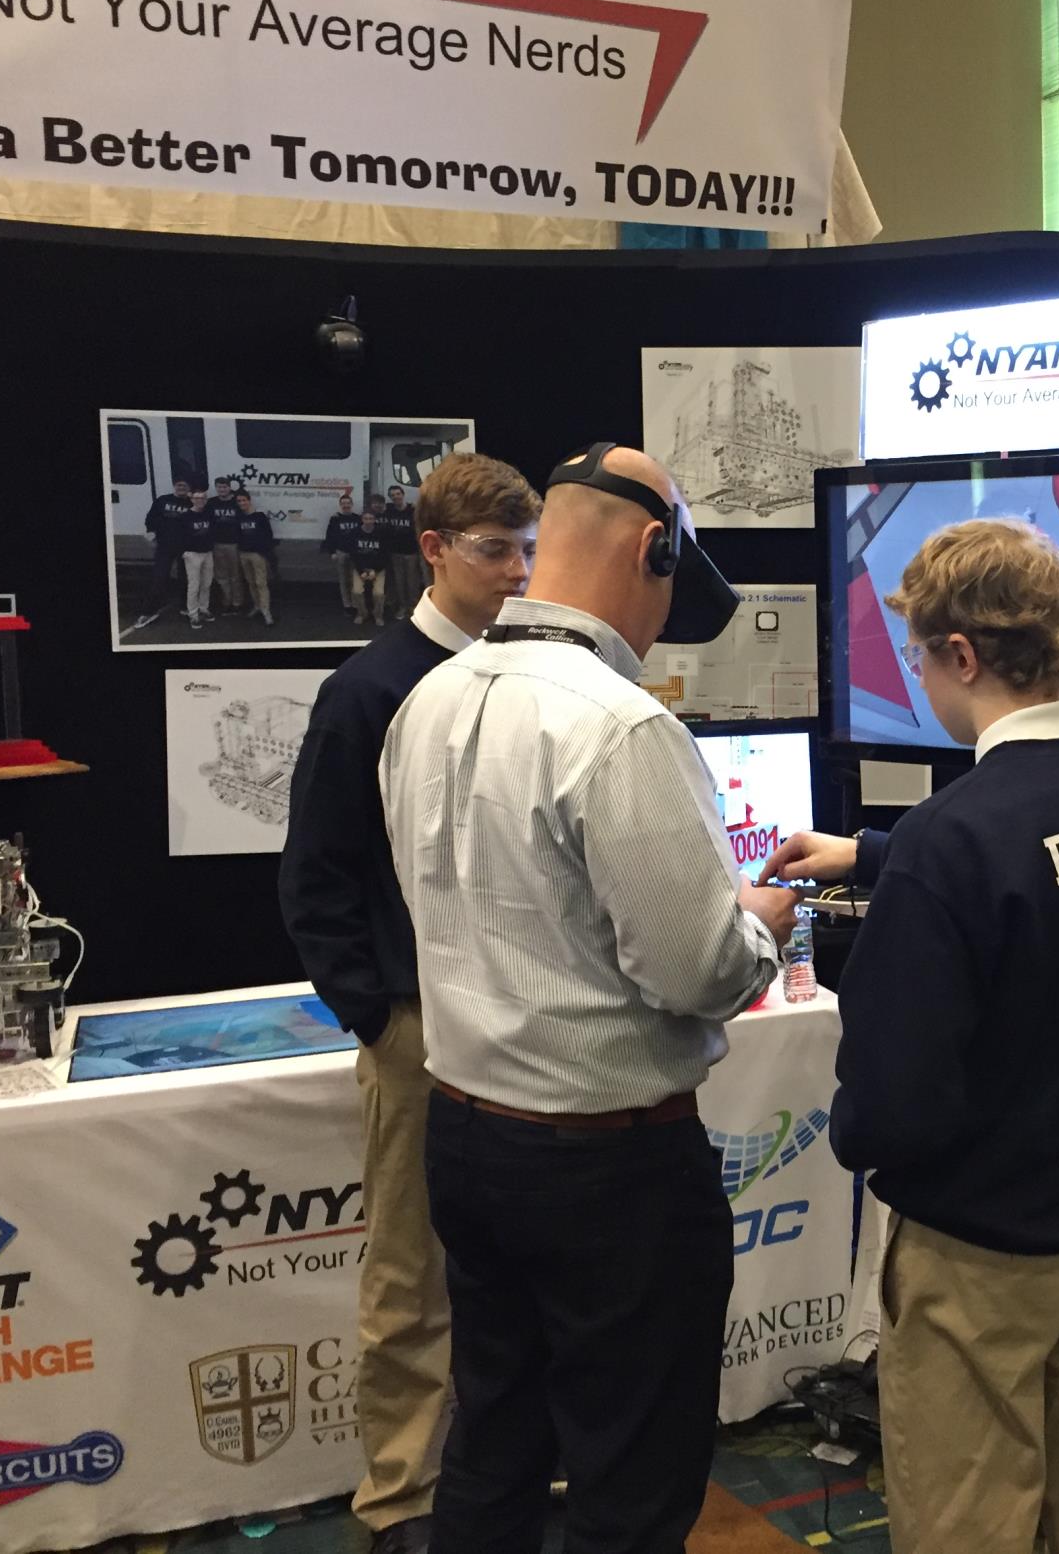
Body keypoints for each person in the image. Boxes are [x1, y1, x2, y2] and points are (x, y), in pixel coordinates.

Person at [381, 442, 793, 1554]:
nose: (662, 626)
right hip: (608, 1168)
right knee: (632, 1479)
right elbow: (696, 972)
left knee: (494, 1441)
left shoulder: (427, 699)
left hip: (466, 1138)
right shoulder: (621, 726)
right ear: (654, 552)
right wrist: (762, 922)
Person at [759, 519, 1059, 1554]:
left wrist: (853, 1134)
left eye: (916, 657)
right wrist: (875, 853)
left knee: (966, 1518)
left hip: (984, 1247)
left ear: (960, 654)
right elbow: (1041, 873)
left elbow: (891, 1103)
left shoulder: (954, 839)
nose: (915, 676)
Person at [278, 452, 541, 1554]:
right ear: (432, 550)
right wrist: (381, 1020)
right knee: (410, 1277)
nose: (518, 572)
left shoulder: (534, 680)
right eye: (494, 551)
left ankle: (509, 1472)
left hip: (529, 1024)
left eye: (529, 550)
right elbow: (315, 876)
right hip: (421, 1029)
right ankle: (400, 1498)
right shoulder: (369, 691)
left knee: (522, 1267)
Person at [137, 478, 194, 628]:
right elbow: (151, 518)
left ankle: (185, 607)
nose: (181, 487)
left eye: (184, 485)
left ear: (189, 488)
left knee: (185, 578)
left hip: (185, 547)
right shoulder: (163, 500)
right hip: (164, 546)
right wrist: (151, 534)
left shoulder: (192, 503)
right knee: (159, 577)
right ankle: (149, 611)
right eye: (179, 485)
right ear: (174, 486)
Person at [233, 492, 278, 627]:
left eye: (244, 500)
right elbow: (237, 535)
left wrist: (263, 551)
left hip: (257, 555)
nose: (242, 503)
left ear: (249, 500)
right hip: (244, 554)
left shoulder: (260, 516)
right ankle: (257, 606)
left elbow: (268, 535)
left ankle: (266, 611)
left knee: (261, 583)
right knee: (251, 582)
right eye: (239, 501)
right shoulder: (239, 518)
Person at [382, 483, 423, 620]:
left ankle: (414, 608)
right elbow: (375, 510)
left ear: (403, 495)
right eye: (393, 495)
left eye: (398, 494)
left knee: (412, 583)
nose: (396, 497)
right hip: (395, 553)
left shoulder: (413, 510)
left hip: (411, 553)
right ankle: (402, 607)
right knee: (399, 583)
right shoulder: (389, 510)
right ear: (390, 498)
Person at [207, 476, 245, 613]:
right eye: (219, 487)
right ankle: (226, 601)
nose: (222, 490)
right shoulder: (211, 502)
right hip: (217, 544)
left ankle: (237, 602)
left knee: (235, 575)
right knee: (221, 575)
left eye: (224, 487)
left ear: (229, 488)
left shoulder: (237, 502)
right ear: (216, 488)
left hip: (234, 544)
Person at [180, 497, 220, 630]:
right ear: (192, 500)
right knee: (194, 585)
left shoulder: (209, 514)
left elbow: (213, 531)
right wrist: (183, 552)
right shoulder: (185, 516)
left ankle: (203, 608)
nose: (200, 500)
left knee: (206, 583)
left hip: (207, 553)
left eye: (202, 498)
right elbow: (178, 535)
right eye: (197, 498)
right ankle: (193, 614)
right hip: (192, 554)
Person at [326, 491, 365, 619]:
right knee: (343, 580)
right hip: (341, 552)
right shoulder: (335, 519)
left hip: (355, 553)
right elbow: (330, 537)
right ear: (340, 505)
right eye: (343, 503)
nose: (346, 505)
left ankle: (355, 604)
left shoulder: (358, 518)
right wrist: (332, 552)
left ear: (352, 504)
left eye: (348, 503)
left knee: (354, 580)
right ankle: (347, 605)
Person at [349, 508, 391, 624]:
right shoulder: (355, 533)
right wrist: (361, 571)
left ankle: (378, 615)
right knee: (357, 591)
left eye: (371, 519)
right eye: (366, 518)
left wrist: (375, 570)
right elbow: (353, 555)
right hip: (360, 568)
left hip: (378, 569)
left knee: (379, 593)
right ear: (362, 519)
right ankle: (362, 614)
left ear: (374, 520)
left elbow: (385, 555)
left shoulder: (381, 533)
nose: (368, 521)